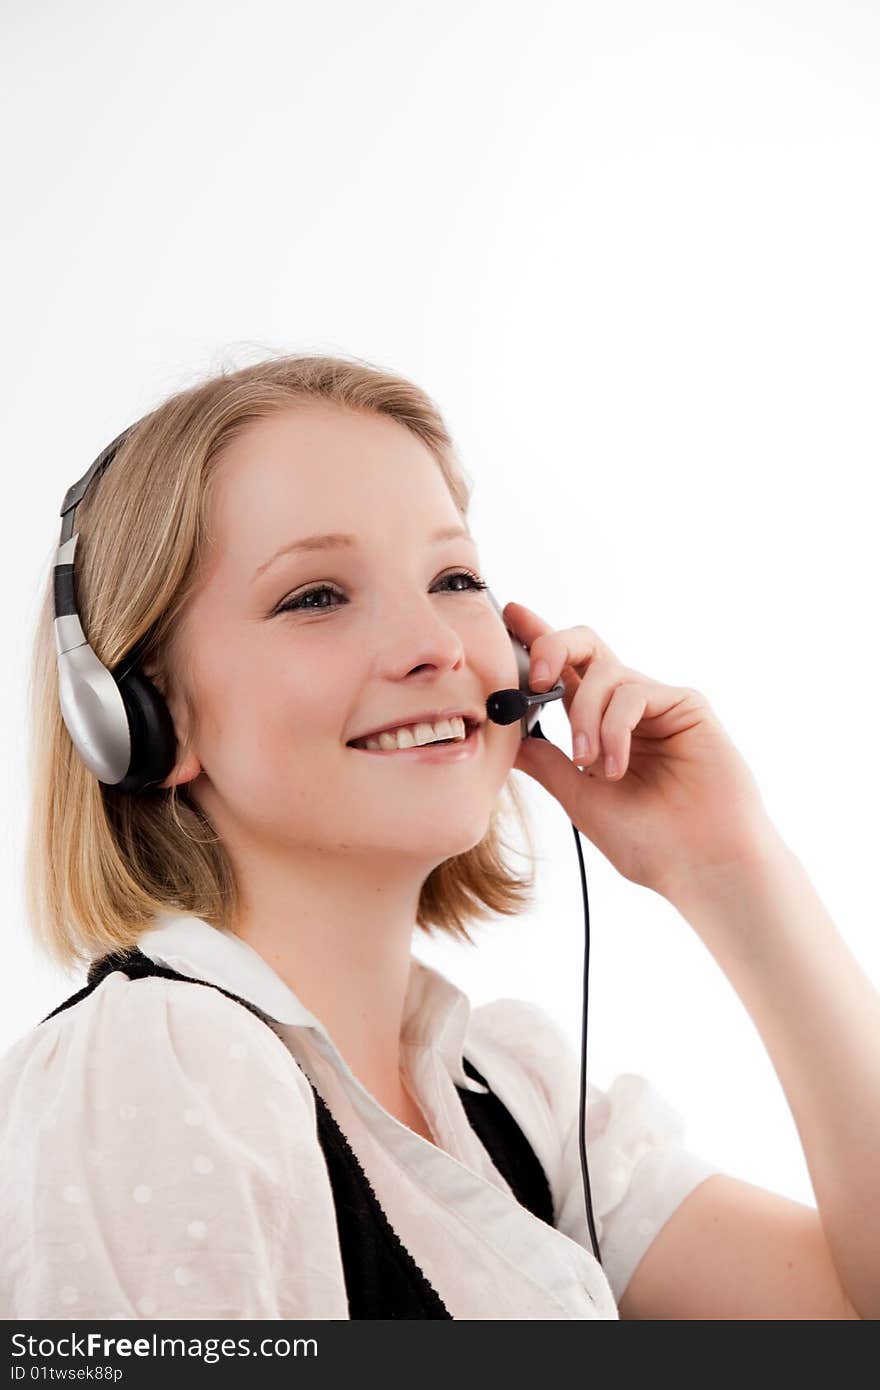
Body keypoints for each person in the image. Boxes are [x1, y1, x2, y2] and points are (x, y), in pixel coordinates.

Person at [0, 354, 868, 1319]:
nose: (439, 644)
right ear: (134, 717)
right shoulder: (165, 1068)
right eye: (316, 596)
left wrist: (730, 867)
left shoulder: (511, 1103)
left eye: (454, 577)